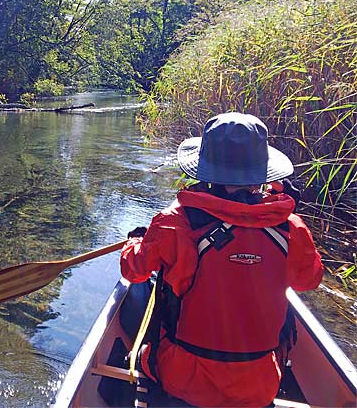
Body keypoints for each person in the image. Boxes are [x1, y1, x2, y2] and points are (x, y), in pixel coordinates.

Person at [120, 112, 323, 407]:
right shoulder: (290, 226)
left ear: (205, 169)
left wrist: (136, 242)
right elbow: (309, 280)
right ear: (261, 173)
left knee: (140, 297)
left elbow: (133, 271)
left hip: (184, 381)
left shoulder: (173, 222)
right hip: (258, 387)